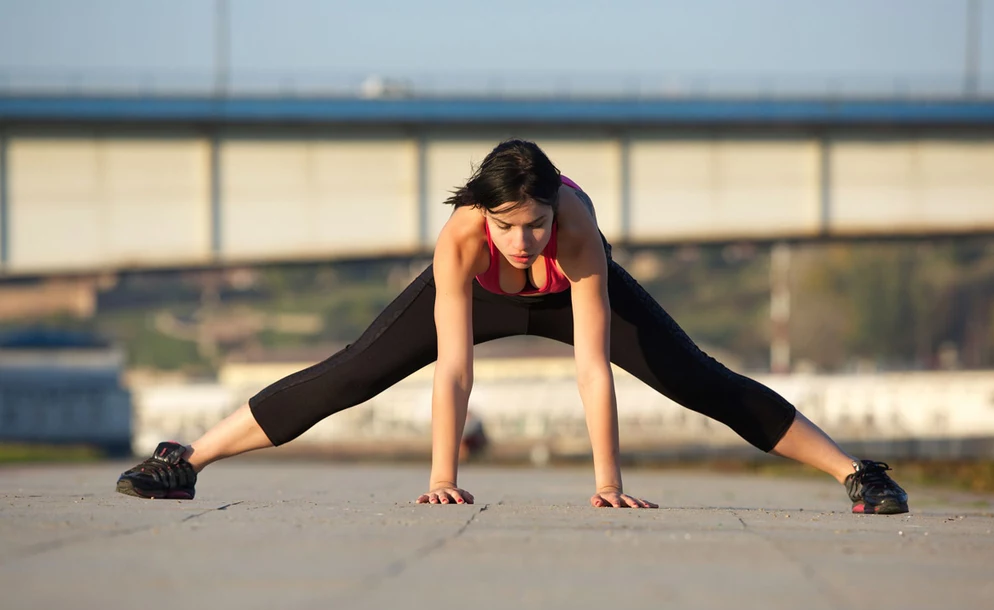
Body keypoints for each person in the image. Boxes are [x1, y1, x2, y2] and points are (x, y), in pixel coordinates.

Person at [117, 139, 909, 514]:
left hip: (571, 295)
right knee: (354, 371)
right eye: (508, 225)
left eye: (533, 224)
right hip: (482, 297)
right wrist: (440, 476)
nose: (522, 238)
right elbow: (454, 368)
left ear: (552, 214)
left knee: (698, 378)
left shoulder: (576, 231)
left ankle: (854, 473)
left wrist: (607, 484)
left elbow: (592, 366)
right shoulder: (464, 236)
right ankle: (187, 461)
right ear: (484, 215)